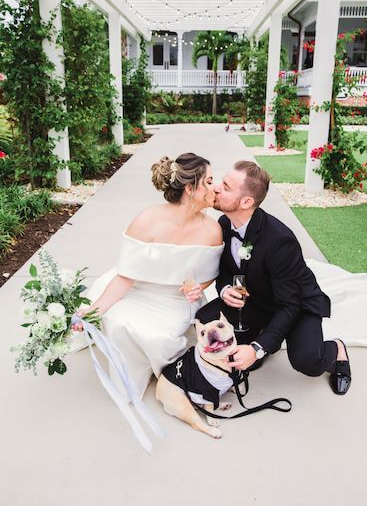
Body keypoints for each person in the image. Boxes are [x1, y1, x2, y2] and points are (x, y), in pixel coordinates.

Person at [73, 153, 224, 398]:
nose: (215, 187)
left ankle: (162, 368)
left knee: (159, 339)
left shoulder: (212, 230)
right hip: (136, 291)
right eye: (209, 181)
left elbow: (208, 276)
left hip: (176, 300)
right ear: (189, 188)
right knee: (119, 323)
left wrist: (197, 287)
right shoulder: (147, 221)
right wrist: (92, 311)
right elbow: (125, 277)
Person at [196, 160, 352, 395]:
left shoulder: (279, 240)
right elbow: (227, 267)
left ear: (247, 202)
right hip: (257, 299)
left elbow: (291, 304)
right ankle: (262, 337)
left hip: (296, 305)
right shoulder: (225, 222)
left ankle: (336, 350)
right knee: (205, 317)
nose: (216, 187)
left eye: (226, 187)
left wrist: (257, 349)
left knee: (307, 361)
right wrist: (226, 287)